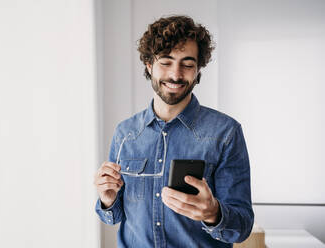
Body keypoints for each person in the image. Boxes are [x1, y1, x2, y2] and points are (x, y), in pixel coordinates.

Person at [94, 15, 254, 248]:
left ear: (198, 70)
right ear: (149, 65)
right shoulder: (125, 133)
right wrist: (107, 200)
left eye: (187, 64)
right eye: (166, 62)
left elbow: (242, 228)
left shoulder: (226, 133)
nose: (176, 74)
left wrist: (213, 213)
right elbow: (113, 217)